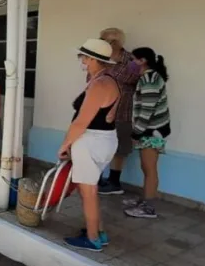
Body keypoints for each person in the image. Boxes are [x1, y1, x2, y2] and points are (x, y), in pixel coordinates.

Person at [60, 39, 120, 252]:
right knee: (89, 189)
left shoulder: (99, 84)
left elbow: (81, 122)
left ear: (93, 59)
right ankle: (98, 232)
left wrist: (65, 145)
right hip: (103, 140)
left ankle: (93, 238)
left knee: (88, 192)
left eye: (83, 57)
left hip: (91, 141)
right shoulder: (108, 80)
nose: (82, 61)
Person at [124, 47, 171, 219]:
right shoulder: (146, 77)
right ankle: (145, 199)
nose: (130, 64)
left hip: (153, 131)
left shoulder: (150, 78)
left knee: (150, 169)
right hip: (149, 130)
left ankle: (149, 207)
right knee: (146, 167)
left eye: (133, 60)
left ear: (142, 60)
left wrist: (137, 131)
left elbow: (147, 108)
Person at [97, 28, 141, 196]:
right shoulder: (100, 58)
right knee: (100, 146)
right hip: (100, 110)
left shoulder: (130, 61)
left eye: (105, 41)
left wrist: (107, 70)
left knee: (119, 148)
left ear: (115, 43)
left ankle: (114, 182)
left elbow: (132, 79)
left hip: (122, 111)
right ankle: (98, 178)